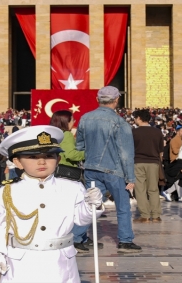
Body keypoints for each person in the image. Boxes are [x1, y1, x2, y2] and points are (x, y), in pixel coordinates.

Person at [0, 125, 104, 282]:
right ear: (18, 162)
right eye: (32, 157)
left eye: (49, 156)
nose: (41, 161)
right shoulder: (7, 191)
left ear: (58, 159)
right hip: (21, 264)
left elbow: (81, 219)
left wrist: (92, 205)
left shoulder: (72, 187)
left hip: (60, 263)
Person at [75, 86, 142, 253]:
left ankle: (77, 237)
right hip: (115, 171)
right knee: (123, 206)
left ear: (98, 100)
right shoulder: (120, 123)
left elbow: (80, 146)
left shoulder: (85, 118)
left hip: (91, 168)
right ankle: (125, 241)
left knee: (91, 204)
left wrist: (90, 158)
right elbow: (126, 154)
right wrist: (131, 178)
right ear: (116, 100)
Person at [49, 110, 98, 252]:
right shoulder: (67, 135)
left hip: (58, 173)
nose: (73, 123)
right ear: (65, 121)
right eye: (72, 120)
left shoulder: (54, 134)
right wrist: (88, 153)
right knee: (81, 207)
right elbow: (71, 154)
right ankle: (77, 237)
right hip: (69, 173)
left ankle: (81, 237)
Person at [131, 109, 164, 223]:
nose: (134, 120)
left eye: (135, 118)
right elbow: (160, 151)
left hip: (138, 162)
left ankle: (144, 215)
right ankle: (155, 215)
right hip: (154, 163)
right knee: (153, 189)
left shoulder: (134, 132)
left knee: (140, 189)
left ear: (139, 118)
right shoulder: (157, 132)